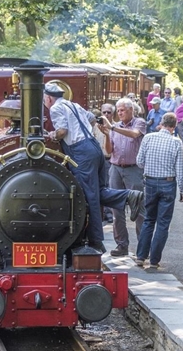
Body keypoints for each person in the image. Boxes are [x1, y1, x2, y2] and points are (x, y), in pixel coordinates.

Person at [44, 83, 143, 252]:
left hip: (80, 151)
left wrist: (52, 135)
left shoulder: (55, 109)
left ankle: (96, 241)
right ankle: (130, 196)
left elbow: (61, 131)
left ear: (48, 97)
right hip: (94, 147)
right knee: (98, 190)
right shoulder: (73, 104)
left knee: (89, 195)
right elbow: (91, 119)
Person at [135, 113, 183, 270]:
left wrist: (150, 168)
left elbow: (139, 161)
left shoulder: (148, 138)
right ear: (174, 126)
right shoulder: (176, 142)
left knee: (148, 220)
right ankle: (154, 260)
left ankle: (140, 256)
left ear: (161, 123)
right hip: (168, 183)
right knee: (163, 223)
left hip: (150, 182)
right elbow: (181, 169)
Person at [99, 97, 146, 257]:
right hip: (116, 168)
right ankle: (121, 245)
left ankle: (143, 247)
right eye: (117, 111)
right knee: (115, 209)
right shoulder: (114, 128)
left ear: (131, 110)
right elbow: (108, 150)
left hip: (134, 169)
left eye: (122, 110)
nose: (119, 113)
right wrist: (106, 134)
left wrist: (112, 128)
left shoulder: (139, 123)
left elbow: (134, 135)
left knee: (138, 207)